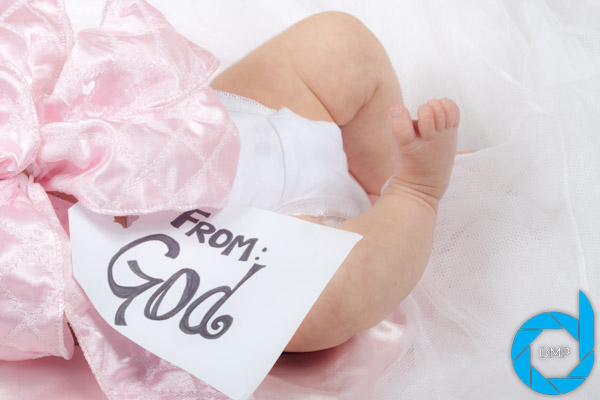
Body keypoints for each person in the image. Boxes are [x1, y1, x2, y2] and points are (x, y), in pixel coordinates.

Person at [210, 11, 459, 352]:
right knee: (314, 303)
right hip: (226, 252)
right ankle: (414, 193)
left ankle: (382, 165)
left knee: (338, 43)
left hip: (224, 125)